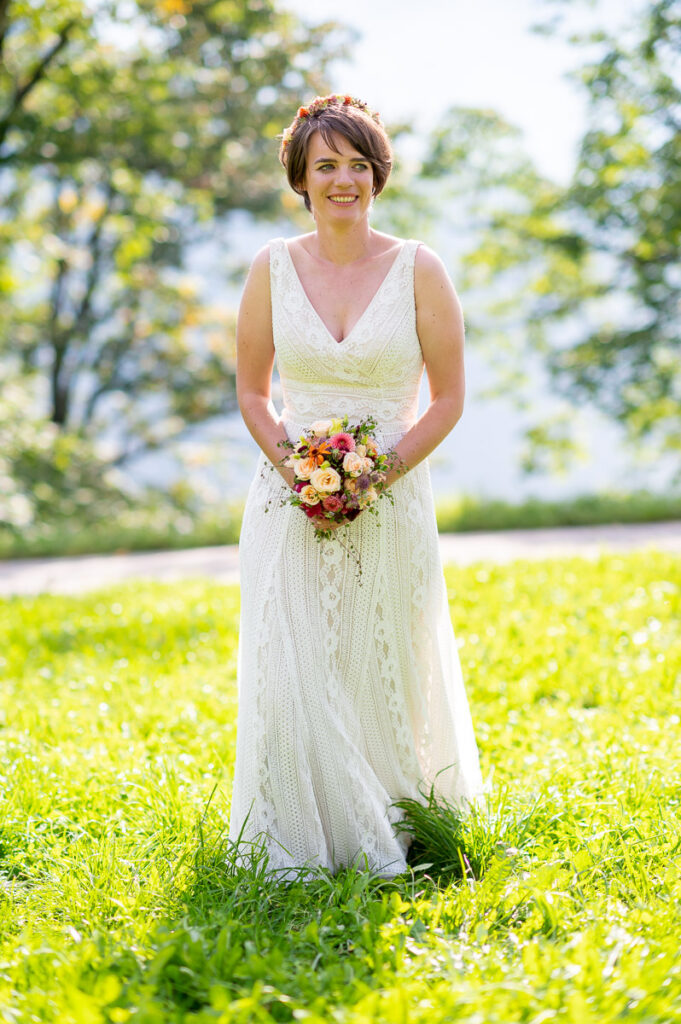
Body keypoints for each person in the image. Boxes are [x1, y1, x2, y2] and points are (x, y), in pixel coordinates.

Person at [228, 93, 484, 878]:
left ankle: (397, 825)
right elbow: (252, 394)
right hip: (287, 499)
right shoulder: (272, 267)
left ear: (378, 175)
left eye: (358, 165)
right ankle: (298, 842)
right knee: (290, 668)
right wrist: (301, 477)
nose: (344, 180)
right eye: (326, 166)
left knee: (382, 666)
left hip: (392, 496)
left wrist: (374, 477)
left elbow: (447, 399)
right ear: (300, 179)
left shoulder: (418, 268)